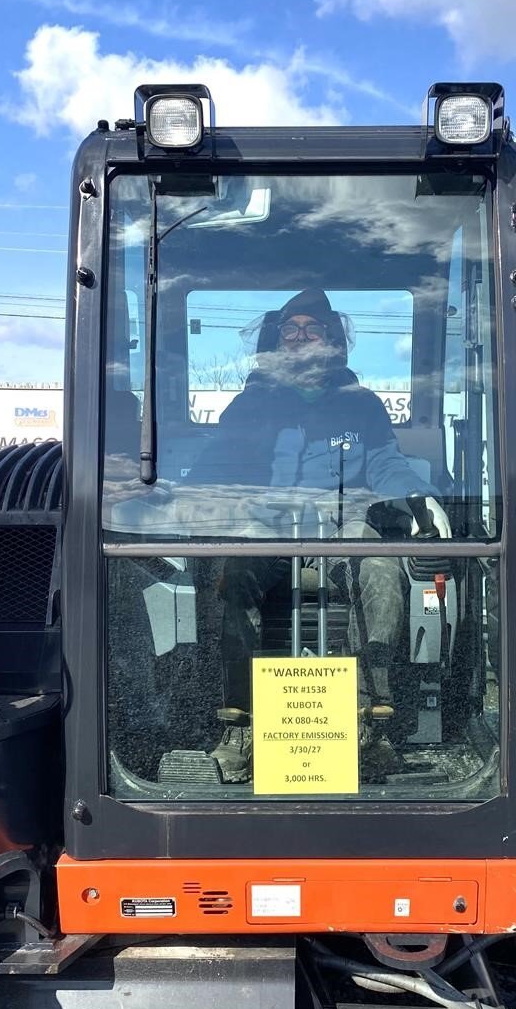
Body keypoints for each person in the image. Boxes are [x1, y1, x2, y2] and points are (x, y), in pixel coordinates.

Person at [186, 288, 450, 781]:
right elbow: (216, 462)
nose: (302, 338)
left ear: (333, 340)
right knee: (234, 572)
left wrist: (418, 500)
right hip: (269, 520)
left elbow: (386, 462)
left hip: (343, 519)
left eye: (313, 329)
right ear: (277, 340)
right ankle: (239, 722)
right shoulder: (251, 406)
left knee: (378, 571)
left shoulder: (361, 406)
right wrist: (180, 496)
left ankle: (371, 721)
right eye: (291, 330)